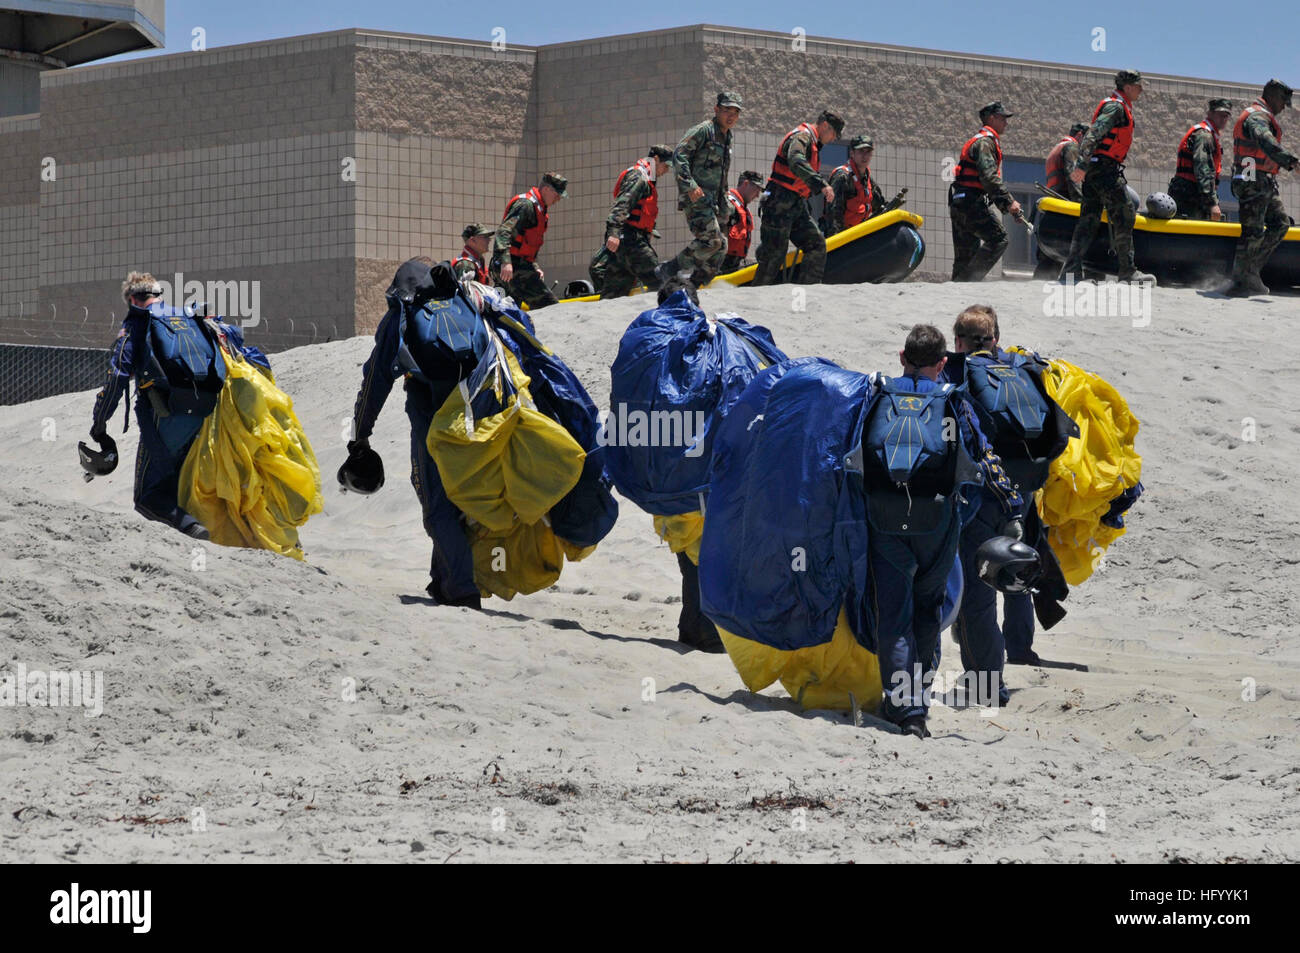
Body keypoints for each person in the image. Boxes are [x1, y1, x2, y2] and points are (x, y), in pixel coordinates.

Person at [863, 324, 1024, 738]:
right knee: (928, 608)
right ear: (941, 363)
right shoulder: (954, 402)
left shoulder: (876, 394)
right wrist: (1012, 508)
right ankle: (921, 690)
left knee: (893, 614)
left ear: (901, 357)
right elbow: (986, 460)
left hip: (884, 520)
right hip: (936, 522)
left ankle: (906, 709)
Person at [943, 306, 1076, 700]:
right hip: (1025, 490)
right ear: (995, 340)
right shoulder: (1022, 366)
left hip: (983, 494)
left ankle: (987, 682)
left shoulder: (958, 371)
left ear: (959, 342)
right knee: (1018, 568)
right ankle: (1020, 648)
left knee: (979, 591)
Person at [83, 272, 272, 539]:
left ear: (132, 300)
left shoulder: (137, 326)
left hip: (165, 417)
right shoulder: (191, 316)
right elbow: (234, 345)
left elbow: (116, 381)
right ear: (158, 295)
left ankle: (194, 532)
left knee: (148, 496)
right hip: (206, 414)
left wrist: (99, 426)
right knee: (179, 483)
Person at [342, 261, 482, 609]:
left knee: (435, 503)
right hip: (478, 410)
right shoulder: (464, 302)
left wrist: (360, 435)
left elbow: (375, 379)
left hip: (431, 412)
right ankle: (443, 583)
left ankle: (463, 591)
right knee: (457, 498)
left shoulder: (402, 316)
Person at [1058, 70, 1156, 284]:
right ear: (1127, 87)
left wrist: (1086, 166)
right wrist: (1081, 164)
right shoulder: (1116, 107)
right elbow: (1093, 134)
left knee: (1089, 219)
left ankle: (1071, 273)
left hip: (1097, 169)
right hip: (1104, 170)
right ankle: (1127, 272)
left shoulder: (1118, 105)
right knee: (1125, 215)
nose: (1141, 90)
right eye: (1138, 86)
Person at [657, 91, 740, 287]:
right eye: (727, 110)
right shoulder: (704, 131)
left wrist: (725, 203)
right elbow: (679, 156)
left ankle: (695, 284)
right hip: (696, 198)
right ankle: (669, 268)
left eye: (735, 112)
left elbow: (722, 174)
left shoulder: (727, 137)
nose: (731, 116)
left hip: (715, 201)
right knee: (712, 240)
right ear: (716, 110)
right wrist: (689, 185)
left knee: (721, 247)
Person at [752, 110, 844, 286]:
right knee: (774, 254)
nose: (833, 139)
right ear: (825, 126)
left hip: (796, 204)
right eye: (833, 134)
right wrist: (821, 184)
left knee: (816, 244)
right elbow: (795, 160)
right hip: (779, 200)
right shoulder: (802, 137)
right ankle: (757, 296)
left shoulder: (813, 142)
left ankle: (806, 292)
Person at [1226, 79, 1298, 297]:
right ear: (1273, 97)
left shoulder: (1260, 115)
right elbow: (1264, 140)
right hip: (1252, 178)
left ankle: (1250, 272)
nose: (1283, 108)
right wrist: (1291, 162)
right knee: (1253, 231)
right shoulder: (1257, 116)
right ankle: (1240, 282)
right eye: (1283, 102)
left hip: (1261, 179)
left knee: (1280, 224)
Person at [948, 101, 1025, 282]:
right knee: (999, 238)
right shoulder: (985, 143)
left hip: (959, 202)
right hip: (970, 203)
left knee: (965, 256)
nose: (1006, 122)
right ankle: (969, 281)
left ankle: (957, 291)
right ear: (991, 118)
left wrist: (1007, 206)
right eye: (1002, 118)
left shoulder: (980, 141)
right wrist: (1009, 203)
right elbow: (989, 177)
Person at [593, 145, 674, 298]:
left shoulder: (647, 179)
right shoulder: (639, 177)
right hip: (631, 240)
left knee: (614, 292)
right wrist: (613, 233)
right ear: (656, 160)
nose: (666, 171)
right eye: (666, 166)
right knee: (659, 280)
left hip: (626, 242)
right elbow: (622, 205)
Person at [491, 172, 567, 310]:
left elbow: (528, 245)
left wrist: (535, 266)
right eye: (557, 195)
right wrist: (506, 262)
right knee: (549, 306)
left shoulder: (540, 210)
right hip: (511, 265)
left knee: (509, 310)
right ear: (546, 190)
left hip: (518, 265)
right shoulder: (525, 205)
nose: (558, 200)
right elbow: (504, 232)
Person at [1167, 100, 1232, 221]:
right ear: (1210, 114)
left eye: (1226, 116)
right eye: (1220, 115)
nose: (1224, 119)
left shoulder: (1209, 134)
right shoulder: (1204, 135)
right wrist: (1212, 203)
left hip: (1190, 193)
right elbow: (1203, 170)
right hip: (1190, 195)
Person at [825, 134, 887, 236]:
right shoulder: (842, 176)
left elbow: (879, 205)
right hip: (841, 237)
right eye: (860, 152)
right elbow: (833, 211)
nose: (865, 156)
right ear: (852, 153)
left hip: (858, 235)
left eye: (868, 152)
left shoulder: (867, 179)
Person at [720, 170, 763, 274]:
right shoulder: (728, 203)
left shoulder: (742, 208)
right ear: (746, 184)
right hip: (721, 266)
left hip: (733, 265)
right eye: (756, 189)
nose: (757, 195)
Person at [1045, 123, 1088, 202]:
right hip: (1066, 195)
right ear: (1080, 135)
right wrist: (1079, 201)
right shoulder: (1072, 147)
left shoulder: (1058, 147)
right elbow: (1073, 176)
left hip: (1054, 194)